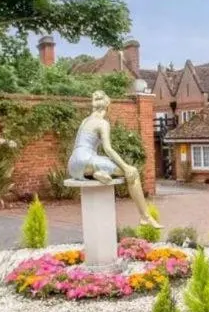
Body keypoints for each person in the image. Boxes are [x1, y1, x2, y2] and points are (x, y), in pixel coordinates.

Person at [68, 91, 161, 228]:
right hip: (87, 159)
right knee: (133, 173)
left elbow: (78, 145)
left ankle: (97, 174)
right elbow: (108, 149)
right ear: (107, 107)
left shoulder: (85, 121)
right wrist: (125, 167)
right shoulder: (102, 123)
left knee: (102, 164)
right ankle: (145, 216)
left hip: (73, 166)